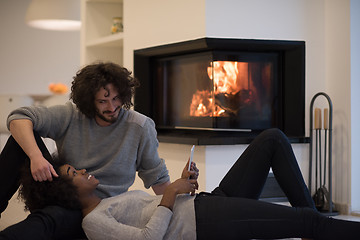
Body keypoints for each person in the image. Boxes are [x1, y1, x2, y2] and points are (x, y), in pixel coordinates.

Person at [6, 128, 360, 240]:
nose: (82, 171)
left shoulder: (108, 199)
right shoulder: (93, 223)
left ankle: (318, 230)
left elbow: (159, 210)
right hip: (203, 223)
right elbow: (148, 239)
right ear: (67, 192)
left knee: (272, 140)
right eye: (74, 174)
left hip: (205, 204)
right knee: (307, 222)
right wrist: (170, 195)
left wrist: (181, 184)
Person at [0, 62, 173, 239]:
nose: (112, 107)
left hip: (97, 209)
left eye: (116, 98)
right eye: (103, 101)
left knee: (49, 219)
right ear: (89, 101)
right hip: (65, 192)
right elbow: (18, 117)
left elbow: (157, 177)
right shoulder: (71, 115)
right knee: (19, 141)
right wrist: (35, 156)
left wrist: (176, 206)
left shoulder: (140, 126)